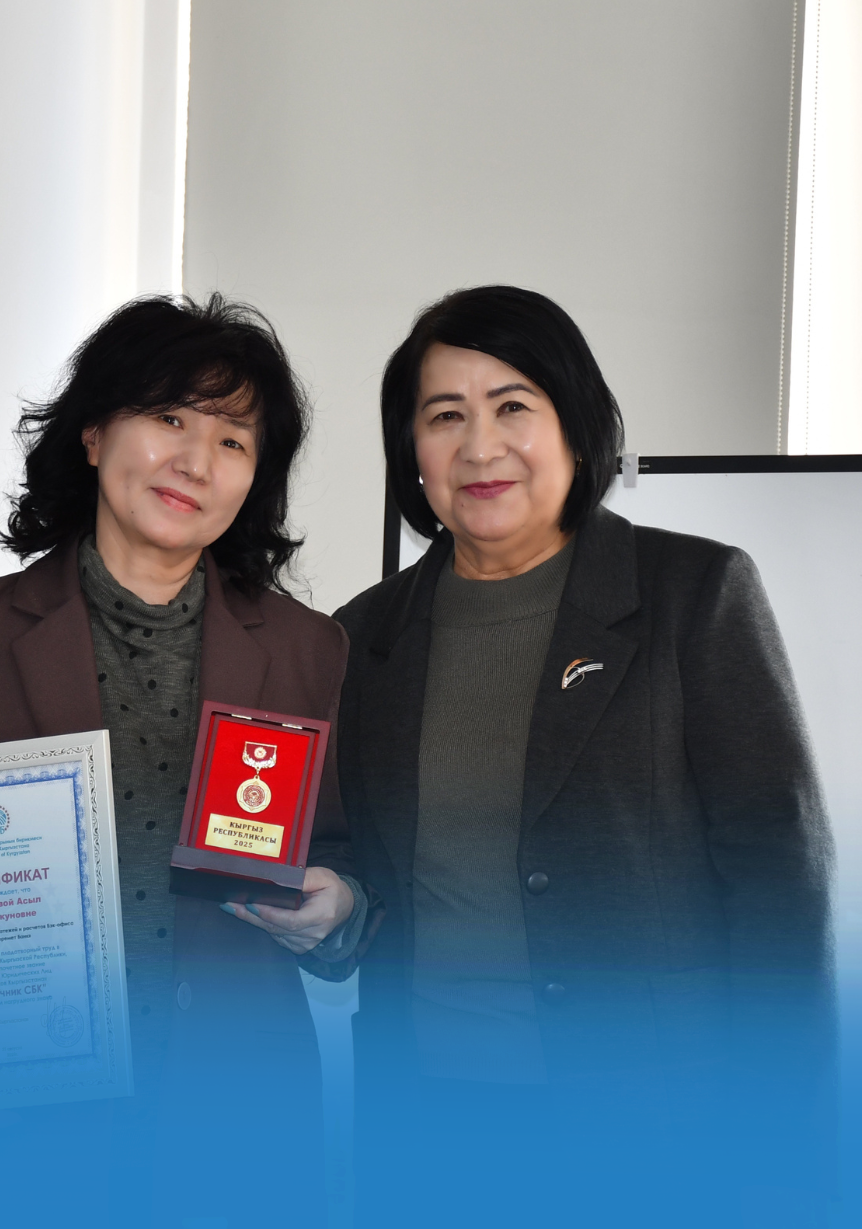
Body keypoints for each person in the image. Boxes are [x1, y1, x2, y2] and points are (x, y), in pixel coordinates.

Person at [0, 294, 369, 1229]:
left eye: (233, 440)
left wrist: (338, 907)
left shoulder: (308, 649)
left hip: (235, 1133)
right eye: (170, 417)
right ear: (95, 433)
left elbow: (343, 854)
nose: (196, 460)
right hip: (6, 1125)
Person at [333, 286, 834, 1228]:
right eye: (445, 416)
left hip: (655, 1125)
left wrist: (781, 1138)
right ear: (412, 453)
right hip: (429, 1126)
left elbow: (778, 876)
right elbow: (358, 865)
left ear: (576, 423)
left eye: (513, 406)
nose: (480, 447)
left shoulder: (693, 591)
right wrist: (324, 910)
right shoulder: (364, 636)